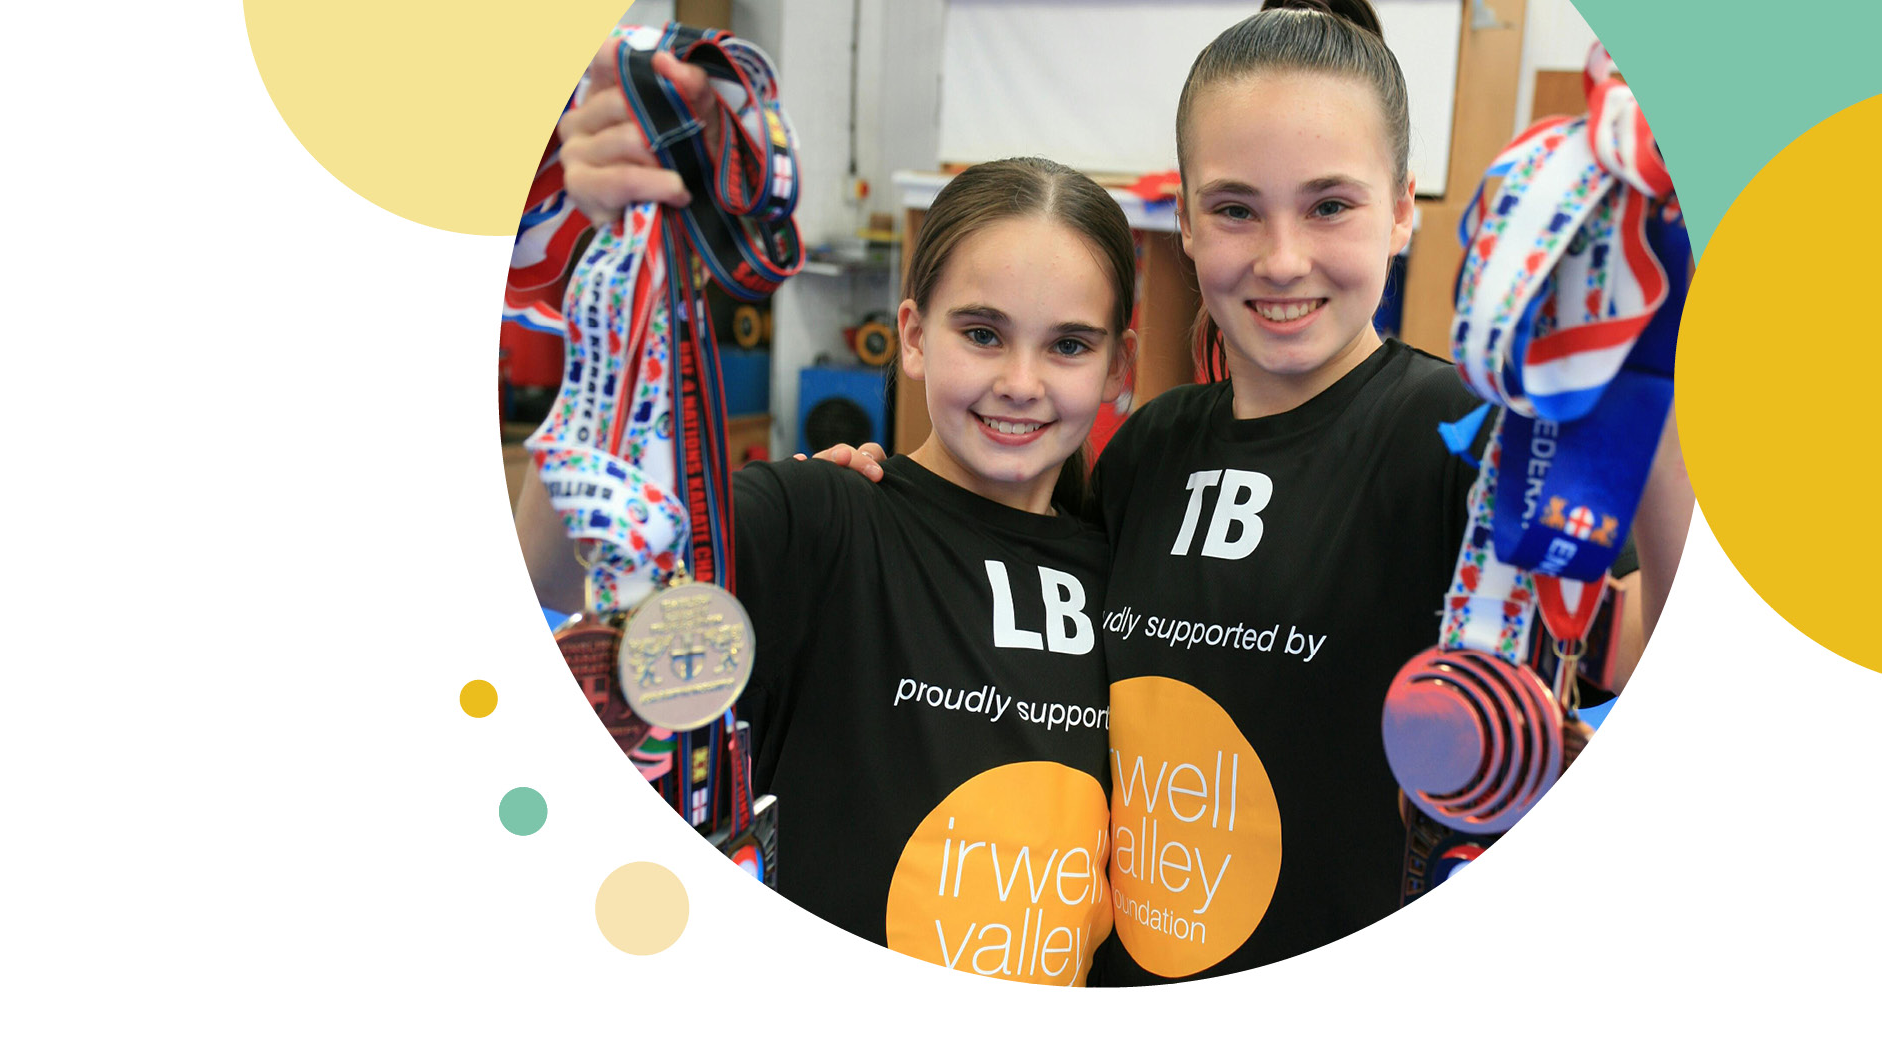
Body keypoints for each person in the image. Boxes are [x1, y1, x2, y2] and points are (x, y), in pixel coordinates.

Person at [540, 0, 1693, 985]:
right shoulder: (1142, 458)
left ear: (1402, 211)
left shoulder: (1462, 438)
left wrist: (1665, 367)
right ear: (1184, 222)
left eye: (1332, 205)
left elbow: (1633, 651)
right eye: (1236, 207)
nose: (1282, 258)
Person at [518, 147, 1139, 985]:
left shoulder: (1129, 578)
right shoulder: (824, 515)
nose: (1019, 381)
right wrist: (608, 273)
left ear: (1118, 367)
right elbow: (558, 575)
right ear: (913, 337)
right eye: (982, 333)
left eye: (1068, 344)